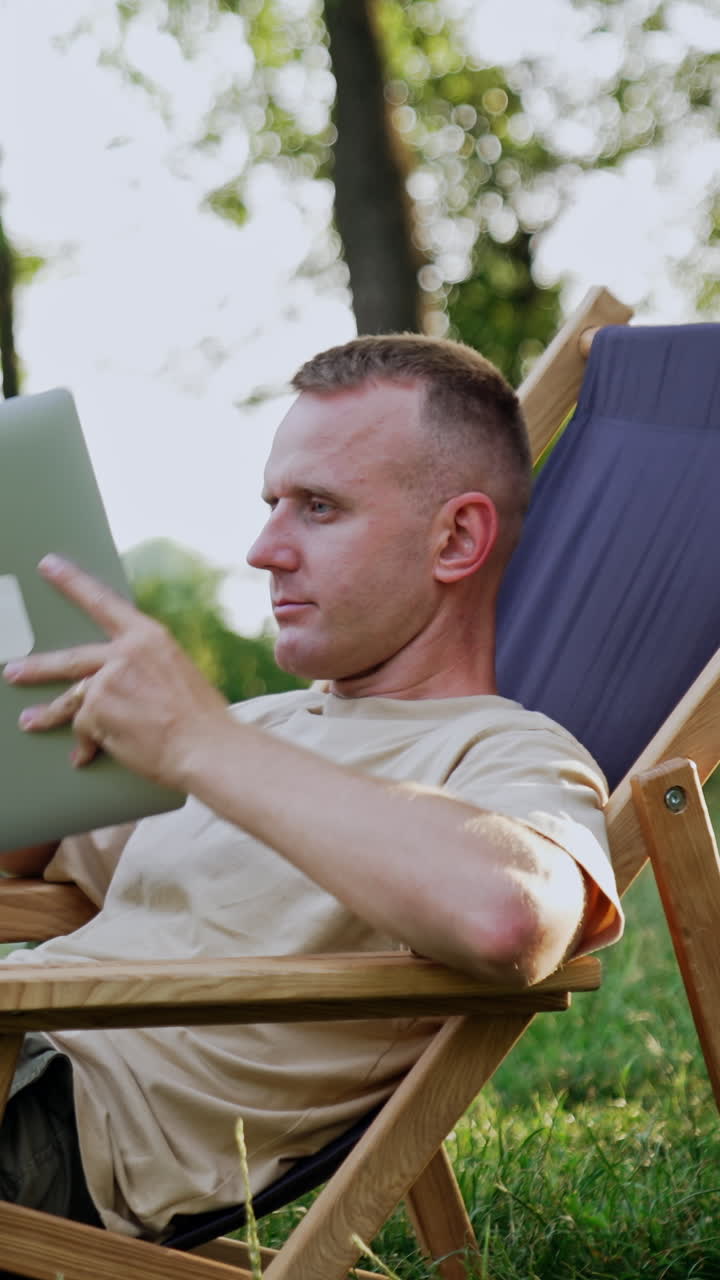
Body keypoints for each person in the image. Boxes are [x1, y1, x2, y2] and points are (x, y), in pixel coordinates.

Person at [0, 334, 623, 1247]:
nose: (263, 551)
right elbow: (34, 848)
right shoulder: (253, 729)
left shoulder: (504, 752)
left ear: (456, 539)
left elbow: (509, 919)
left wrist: (201, 742)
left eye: (319, 508)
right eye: (272, 506)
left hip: (59, 1126)